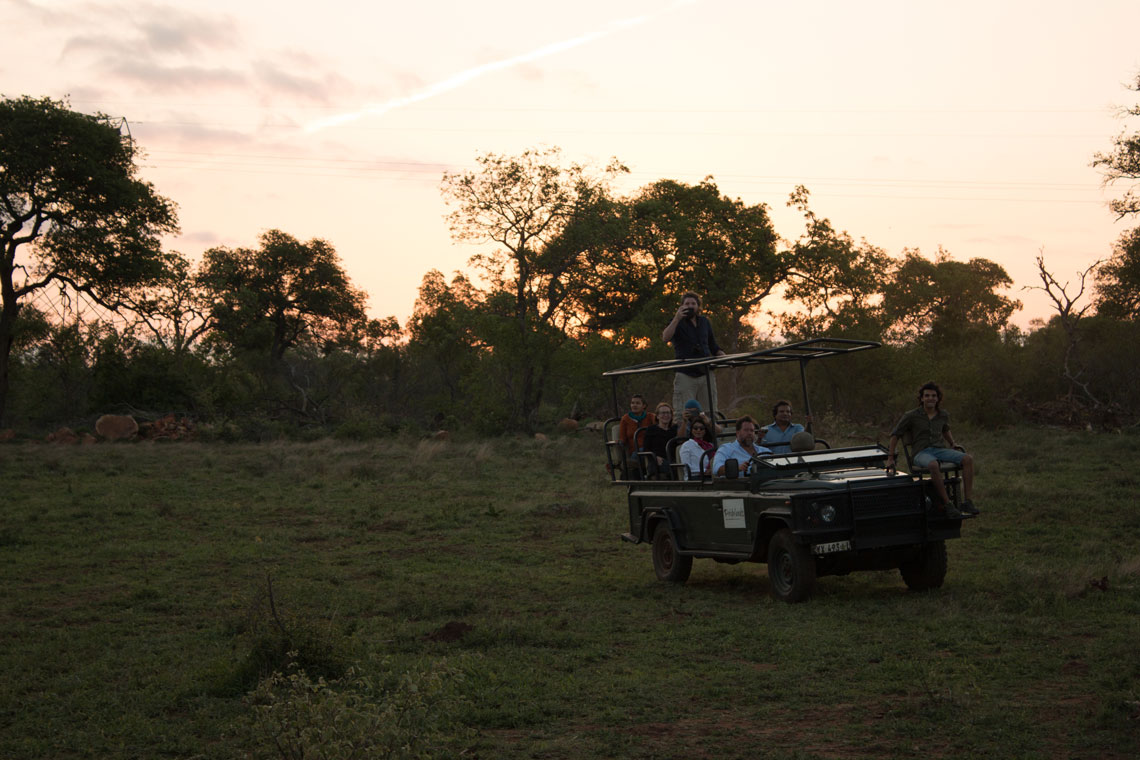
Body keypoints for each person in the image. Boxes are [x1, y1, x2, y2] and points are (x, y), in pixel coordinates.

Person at [885, 382, 979, 518]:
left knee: (967, 459)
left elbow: (945, 429)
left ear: (938, 398)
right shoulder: (911, 415)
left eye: (934, 396)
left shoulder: (942, 415)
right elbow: (895, 435)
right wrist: (890, 458)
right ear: (922, 398)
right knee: (933, 465)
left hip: (939, 449)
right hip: (921, 452)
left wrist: (952, 443)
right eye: (927, 396)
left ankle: (967, 502)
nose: (930, 398)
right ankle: (948, 504)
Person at [662, 292, 725, 418]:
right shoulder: (676, 322)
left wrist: (726, 359)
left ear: (698, 306)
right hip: (686, 373)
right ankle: (684, 436)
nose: (690, 306)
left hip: (706, 372)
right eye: (687, 304)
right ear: (681, 306)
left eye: (693, 304)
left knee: (710, 411)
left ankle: (710, 434)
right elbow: (665, 337)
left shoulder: (704, 322)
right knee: (684, 412)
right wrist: (676, 318)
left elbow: (713, 346)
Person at [678, 414, 716, 479]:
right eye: (695, 428)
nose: (698, 430)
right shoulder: (686, 445)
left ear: (705, 431)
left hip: (710, 475)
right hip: (694, 477)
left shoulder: (709, 446)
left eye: (701, 428)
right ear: (692, 430)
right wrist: (705, 471)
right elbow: (686, 467)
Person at [618, 394, 655, 459]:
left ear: (644, 406)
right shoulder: (625, 419)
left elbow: (660, 426)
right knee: (645, 453)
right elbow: (622, 438)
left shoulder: (650, 416)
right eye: (632, 403)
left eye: (638, 403)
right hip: (636, 451)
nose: (634, 405)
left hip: (651, 447)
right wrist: (619, 442)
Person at [642, 402, 678, 467]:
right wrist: (654, 457)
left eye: (668, 413)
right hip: (658, 461)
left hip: (673, 460)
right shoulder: (651, 429)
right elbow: (646, 448)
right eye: (663, 413)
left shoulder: (674, 429)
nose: (666, 415)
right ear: (657, 416)